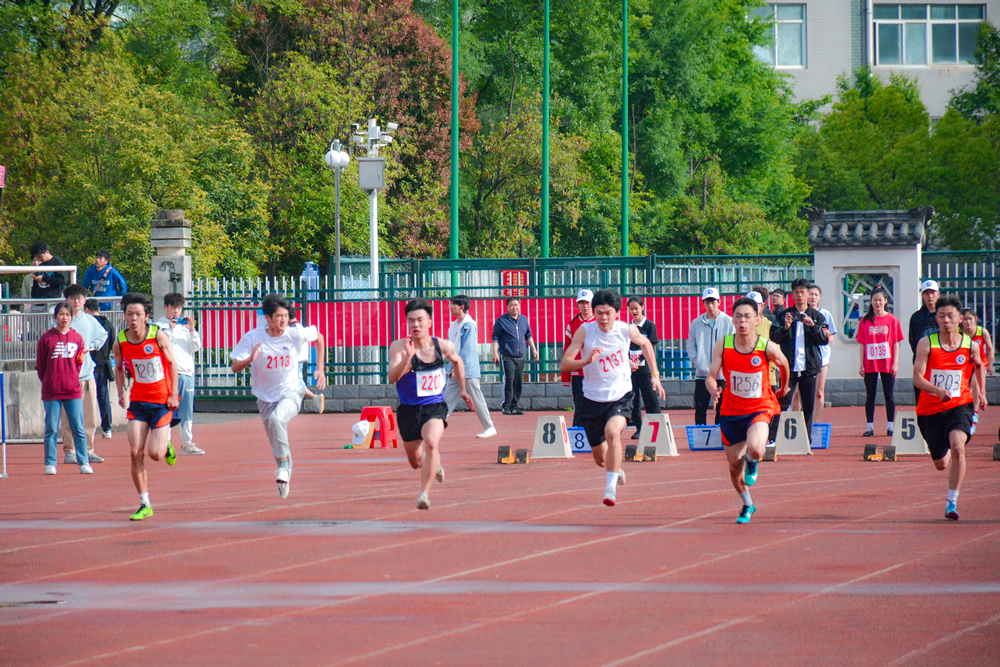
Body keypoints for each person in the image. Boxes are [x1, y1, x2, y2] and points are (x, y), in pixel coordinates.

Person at [561, 289, 665, 506]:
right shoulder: (584, 331)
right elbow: (565, 364)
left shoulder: (625, 330)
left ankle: (610, 489)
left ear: (617, 313)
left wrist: (655, 376)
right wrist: (586, 361)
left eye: (608, 313)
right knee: (600, 459)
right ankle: (615, 468)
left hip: (621, 395)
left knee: (612, 432)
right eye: (599, 313)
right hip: (592, 398)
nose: (603, 318)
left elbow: (646, 344)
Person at [230, 294, 326, 500]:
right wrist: (250, 359)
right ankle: (285, 471)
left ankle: (283, 466)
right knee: (274, 434)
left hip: (291, 391)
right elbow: (234, 367)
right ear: (268, 317)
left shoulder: (294, 333)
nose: (283, 320)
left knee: (277, 420)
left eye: (285, 316)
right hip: (265, 397)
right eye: (278, 316)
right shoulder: (253, 337)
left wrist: (320, 369)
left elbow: (319, 337)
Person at [705, 297, 790, 524]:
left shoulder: (766, 346)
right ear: (733, 319)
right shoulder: (724, 345)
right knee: (733, 466)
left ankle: (754, 460)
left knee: (755, 448)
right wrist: (714, 390)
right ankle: (748, 504)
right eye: (738, 316)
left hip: (760, 406)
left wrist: (783, 387)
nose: (742, 321)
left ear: (757, 319)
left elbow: (783, 363)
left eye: (747, 316)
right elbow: (711, 377)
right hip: (731, 411)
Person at [387, 299, 473, 510]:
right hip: (408, 410)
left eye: (420, 320)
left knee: (432, 443)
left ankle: (424, 494)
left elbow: (457, 361)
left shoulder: (442, 346)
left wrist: (462, 389)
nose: (415, 324)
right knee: (416, 462)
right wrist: (408, 359)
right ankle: (433, 464)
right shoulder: (399, 347)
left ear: (429, 322)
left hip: (434, 407)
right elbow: (392, 377)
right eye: (411, 321)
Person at [913, 294, 987, 521]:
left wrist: (982, 391)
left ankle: (952, 502)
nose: (946, 320)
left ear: (960, 319)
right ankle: (939, 453)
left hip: (959, 405)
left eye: (950, 316)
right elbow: (917, 377)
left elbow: (979, 366)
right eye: (941, 316)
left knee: (958, 448)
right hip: (930, 410)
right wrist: (937, 391)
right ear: (936, 318)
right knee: (941, 463)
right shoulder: (927, 343)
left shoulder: (970, 345)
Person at [114, 292, 180, 521]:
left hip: (161, 402)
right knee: (135, 452)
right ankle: (145, 503)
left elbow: (172, 364)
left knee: (155, 454)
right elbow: (120, 369)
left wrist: (173, 394)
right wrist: (121, 392)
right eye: (129, 314)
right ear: (124, 316)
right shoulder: (121, 340)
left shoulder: (157, 336)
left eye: (138, 314)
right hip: (138, 402)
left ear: (147, 316)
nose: (133, 318)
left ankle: (166, 445)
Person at [770, 278, 830, 445]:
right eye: (796, 292)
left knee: (808, 405)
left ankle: (807, 440)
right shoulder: (783, 315)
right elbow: (774, 337)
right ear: (792, 295)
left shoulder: (817, 316)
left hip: (809, 367)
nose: (799, 295)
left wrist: (813, 326)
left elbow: (824, 339)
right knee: (782, 402)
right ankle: (773, 439)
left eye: (802, 292)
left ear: (808, 294)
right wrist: (785, 328)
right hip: (789, 367)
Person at [36, 302, 92, 475]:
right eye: (61, 314)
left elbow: (79, 363)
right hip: (52, 391)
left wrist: (72, 378)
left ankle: (84, 461)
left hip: (73, 390)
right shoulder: (46, 339)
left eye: (67, 315)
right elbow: (41, 366)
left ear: (71, 317)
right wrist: (49, 381)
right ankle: (50, 463)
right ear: (55, 317)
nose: (64, 318)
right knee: (51, 428)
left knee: (78, 427)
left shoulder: (77, 338)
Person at [60, 284, 108, 464]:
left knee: (90, 415)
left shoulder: (90, 320)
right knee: (69, 416)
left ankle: (88, 449)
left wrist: (92, 347)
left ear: (84, 301)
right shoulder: (63, 320)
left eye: (79, 298)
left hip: (87, 374)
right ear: (67, 301)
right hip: (68, 376)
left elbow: (103, 336)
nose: (76, 302)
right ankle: (70, 450)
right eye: (72, 298)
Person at [155, 293, 204, 455]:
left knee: (186, 410)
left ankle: (187, 443)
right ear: (165, 307)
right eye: (173, 307)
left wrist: (192, 330)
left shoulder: (185, 327)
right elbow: (162, 346)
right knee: (167, 409)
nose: (176, 311)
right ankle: (165, 443)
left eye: (179, 308)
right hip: (167, 375)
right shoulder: (159, 326)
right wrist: (170, 329)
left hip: (187, 373)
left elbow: (195, 347)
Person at [445, 295, 496, 438]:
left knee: (477, 398)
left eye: (453, 304)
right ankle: (435, 426)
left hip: (467, 371)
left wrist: (459, 367)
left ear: (462, 307)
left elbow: (467, 349)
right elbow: (452, 347)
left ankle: (489, 427)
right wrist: (451, 366)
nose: (450, 307)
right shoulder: (453, 325)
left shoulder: (469, 324)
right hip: (454, 370)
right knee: (447, 399)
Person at [856, 287, 904, 438]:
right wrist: (861, 364)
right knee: (870, 395)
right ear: (870, 302)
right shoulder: (865, 321)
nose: (877, 302)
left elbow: (896, 343)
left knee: (889, 395)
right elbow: (862, 344)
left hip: (887, 363)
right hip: (870, 363)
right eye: (874, 300)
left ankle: (890, 426)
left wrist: (895, 363)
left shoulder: (892, 320)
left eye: (880, 300)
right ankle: (869, 427)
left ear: (885, 301)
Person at [687, 287, 734, 425]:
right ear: (703, 304)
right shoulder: (696, 323)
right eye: (707, 302)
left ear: (719, 302)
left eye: (713, 302)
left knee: (722, 408)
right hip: (703, 375)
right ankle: (700, 436)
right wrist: (698, 362)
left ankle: (721, 436)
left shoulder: (729, 322)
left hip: (722, 374)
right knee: (700, 407)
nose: (710, 305)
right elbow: (691, 346)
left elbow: (732, 345)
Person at [491, 297, 539, 415]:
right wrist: (495, 352)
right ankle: (506, 405)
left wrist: (534, 349)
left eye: (516, 305)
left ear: (519, 306)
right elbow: (495, 337)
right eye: (511, 305)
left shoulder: (523, 319)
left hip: (520, 356)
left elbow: (528, 335)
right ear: (507, 307)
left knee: (518, 381)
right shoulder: (501, 320)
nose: (514, 307)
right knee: (509, 380)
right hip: (507, 355)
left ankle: (514, 406)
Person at [627, 296, 662, 439]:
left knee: (650, 398)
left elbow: (650, 347)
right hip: (631, 370)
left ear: (642, 307)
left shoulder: (649, 325)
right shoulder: (628, 327)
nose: (634, 311)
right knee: (633, 400)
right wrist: (629, 362)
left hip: (646, 369)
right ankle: (639, 428)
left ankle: (657, 428)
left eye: (636, 308)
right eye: (631, 309)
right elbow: (623, 347)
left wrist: (639, 360)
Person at [562, 289, 595, 426]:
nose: (585, 306)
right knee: (580, 407)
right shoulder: (573, 324)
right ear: (577, 305)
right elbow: (567, 350)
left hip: (596, 372)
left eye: (587, 303)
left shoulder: (599, 322)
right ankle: (577, 435)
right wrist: (565, 376)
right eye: (581, 303)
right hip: (578, 372)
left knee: (596, 405)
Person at [85, 299, 116, 440]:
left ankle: (85, 428)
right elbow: (111, 344)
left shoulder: (87, 324)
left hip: (88, 366)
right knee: (103, 398)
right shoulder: (109, 325)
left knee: (86, 400)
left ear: (87, 310)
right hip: (103, 365)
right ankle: (107, 428)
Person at [806, 284, 837, 424]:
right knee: (799, 393)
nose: (812, 297)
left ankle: (816, 423)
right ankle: (800, 423)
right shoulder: (802, 313)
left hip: (822, 356)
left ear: (819, 297)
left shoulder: (825, 314)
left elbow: (831, 336)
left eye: (816, 295)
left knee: (819, 391)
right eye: (810, 294)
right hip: (805, 355)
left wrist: (822, 340)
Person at [961, 308, 994, 435]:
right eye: (965, 319)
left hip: (980, 364)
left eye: (970, 319)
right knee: (964, 388)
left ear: (975, 319)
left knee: (975, 384)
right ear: (961, 321)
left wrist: (990, 365)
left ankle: (974, 414)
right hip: (965, 363)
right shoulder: (959, 332)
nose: (968, 322)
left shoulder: (981, 331)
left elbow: (990, 348)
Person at [909, 280, 940, 403]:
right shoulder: (916, 317)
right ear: (922, 295)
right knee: (922, 400)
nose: (930, 296)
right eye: (926, 293)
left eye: (932, 292)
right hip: (922, 365)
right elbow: (913, 341)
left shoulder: (944, 315)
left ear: (938, 294)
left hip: (940, 364)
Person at [30, 241, 69, 311]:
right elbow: (35, 285)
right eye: (36, 257)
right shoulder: (40, 265)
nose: (39, 259)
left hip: (53, 302)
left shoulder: (58, 262)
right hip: (37, 302)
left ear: (47, 252)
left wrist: (44, 278)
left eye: (40, 256)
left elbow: (63, 279)